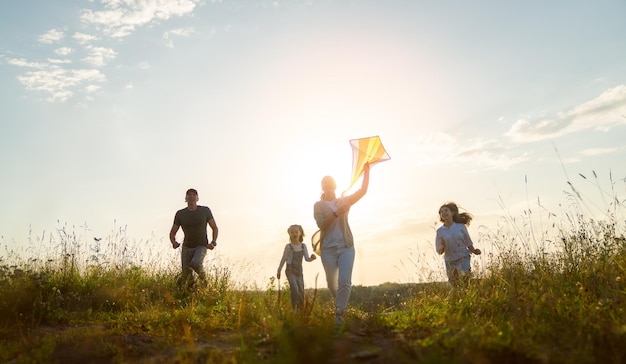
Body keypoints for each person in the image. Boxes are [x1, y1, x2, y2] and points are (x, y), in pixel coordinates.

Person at [313, 163, 370, 329]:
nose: (328, 184)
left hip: (346, 246)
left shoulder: (344, 200)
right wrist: (337, 212)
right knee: (332, 285)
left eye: (330, 182)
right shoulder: (318, 205)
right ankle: (342, 307)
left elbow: (363, 191)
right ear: (322, 187)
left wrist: (366, 172)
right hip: (328, 250)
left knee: (344, 281)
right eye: (325, 182)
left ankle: (339, 314)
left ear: (335, 185)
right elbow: (322, 225)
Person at [169, 188, 219, 288]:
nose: (191, 197)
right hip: (187, 247)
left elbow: (214, 227)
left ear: (197, 198)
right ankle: (192, 294)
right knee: (186, 275)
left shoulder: (205, 211)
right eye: (189, 195)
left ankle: (205, 283)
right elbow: (172, 232)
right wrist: (173, 242)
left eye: (193, 195)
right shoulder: (180, 214)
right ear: (185, 198)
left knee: (196, 263)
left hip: (201, 245)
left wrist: (213, 242)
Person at [435, 202, 481, 285]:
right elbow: (439, 251)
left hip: (462, 256)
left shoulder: (461, 227)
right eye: (441, 212)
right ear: (441, 216)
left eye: (446, 210)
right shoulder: (440, 231)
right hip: (449, 260)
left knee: (465, 279)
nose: (444, 213)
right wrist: (442, 247)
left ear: (452, 213)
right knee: (454, 284)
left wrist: (474, 251)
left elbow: (468, 242)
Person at [276, 224, 317, 311]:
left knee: (301, 291)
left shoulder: (303, 246)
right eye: (292, 232)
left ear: (300, 233)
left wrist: (312, 258)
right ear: (289, 234)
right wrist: (279, 270)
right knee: (295, 288)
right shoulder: (288, 247)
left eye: (296, 231)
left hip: (299, 271)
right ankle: (294, 308)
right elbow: (283, 259)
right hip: (290, 270)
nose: (294, 233)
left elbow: (307, 259)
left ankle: (301, 310)